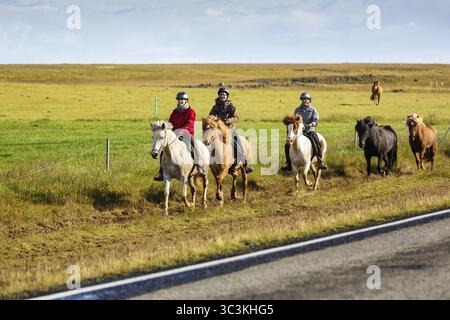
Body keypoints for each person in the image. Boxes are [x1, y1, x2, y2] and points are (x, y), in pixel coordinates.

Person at [154, 92, 206, 181]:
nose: (180, 101)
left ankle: (198, 166)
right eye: (179, 100)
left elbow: (190, 124)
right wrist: (168, 129)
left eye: (182, 100)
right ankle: (161, 171)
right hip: (174, 135)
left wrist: (181, 131)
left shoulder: (191, 111)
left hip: (187, 134)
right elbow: (170, 123)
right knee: (164, 149)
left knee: (194, 144)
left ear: (186, 101)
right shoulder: (175, 112)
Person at [209, 87, 253, 174]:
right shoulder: (215, 106)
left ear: (227, 96)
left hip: (230, 130)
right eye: (221, 95)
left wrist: (227, 121)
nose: (222, 96)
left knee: (237, 143)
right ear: (219, 95)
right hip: (219, 130)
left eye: (224, 95)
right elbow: (211, 116)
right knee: (208, 141)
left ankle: (245, 163)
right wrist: (212, 120)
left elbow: (236, 117)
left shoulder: (231, 105)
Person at [281, 92, 328, 171]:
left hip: (309, 131)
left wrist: (312, 124)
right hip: (299, 132)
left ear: (309, 101)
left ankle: (320, 161)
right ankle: (288, 163)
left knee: (316, 141)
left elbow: (316, 120)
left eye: (306, 99)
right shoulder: (297, 109)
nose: (304, 101)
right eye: (303, 99)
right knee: (287, 144)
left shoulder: (312, 109)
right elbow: (294, 120)